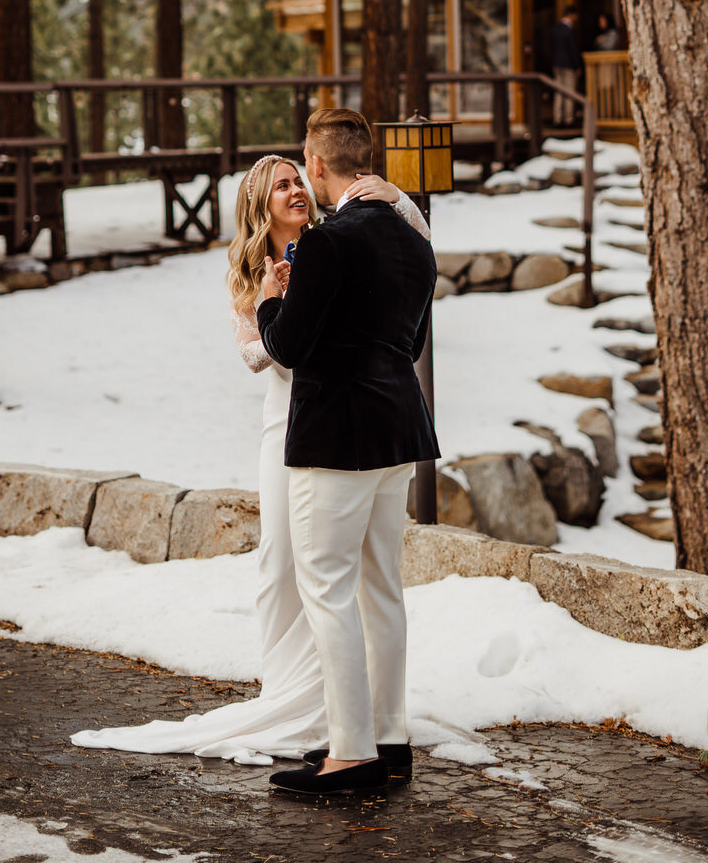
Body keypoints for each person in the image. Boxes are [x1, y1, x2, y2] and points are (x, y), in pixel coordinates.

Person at [70, 148, 429, 765]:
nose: (293, 191)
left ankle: (335, 713)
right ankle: (287, 692)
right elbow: (262, 357)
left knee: (332, 571)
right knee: (280, 559)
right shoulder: (250, 270)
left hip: (336, 420)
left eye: (297, 180)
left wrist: (396, 197)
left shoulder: (334, 242)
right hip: (287, 419)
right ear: (259, 205)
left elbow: (406, 256)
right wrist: (272, 301)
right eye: (279, 187)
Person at [258, 108, 438, 799]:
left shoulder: (327, 243)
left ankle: (350, 752)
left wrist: (275, 301)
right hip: (398, 430)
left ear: (317, 163)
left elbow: (289, 347)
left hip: (335, 435)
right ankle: (388, 739)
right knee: (380, 588)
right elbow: (410, 342)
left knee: (327, 590)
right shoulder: (414, 241)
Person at [549, 3, 582, 126]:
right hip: (568, 65)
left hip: (557, 64)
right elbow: (572, 50)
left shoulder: (555, 29)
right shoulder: (569, 31)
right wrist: (577, 66)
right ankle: (568, 119)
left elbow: (551, 48)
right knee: (569, 91)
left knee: (558, 91)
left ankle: (557, 117)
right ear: (572, 15)